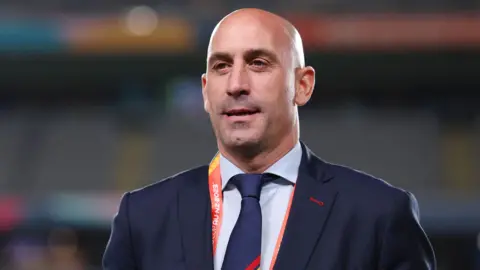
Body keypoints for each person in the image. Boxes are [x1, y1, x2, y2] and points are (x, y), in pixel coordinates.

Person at [103, 8, 436, 270]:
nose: (236, 84)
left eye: (258, 63)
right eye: (221, 66)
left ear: (302, 85)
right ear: (206, 92)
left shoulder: (377, 214)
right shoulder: (143, 217)